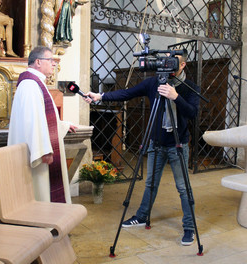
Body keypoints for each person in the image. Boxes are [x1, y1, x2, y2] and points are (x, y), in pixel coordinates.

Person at [84, 50, 200, 246]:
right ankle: (142, 216)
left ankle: (189, 227)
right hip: (156, 143)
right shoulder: (154, 82)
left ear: (182, 65)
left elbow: (193, 113)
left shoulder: (190, 87)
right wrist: (100, 96)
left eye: (173, 62)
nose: (167, 65)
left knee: (183, 188)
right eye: (165, 61)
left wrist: (175, 97)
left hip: (178, 144)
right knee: (150, 184)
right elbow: (127, 93)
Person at [7, 46, 77, 203]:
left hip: (39, 148)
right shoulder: (30, 85)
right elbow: (32, 121)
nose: (54, 64)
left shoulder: (35, 83)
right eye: (50, 60)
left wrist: (63, 125)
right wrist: (43, 149)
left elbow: (42, 118)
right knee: (40, 193)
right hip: (37, 153)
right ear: (38, 62)